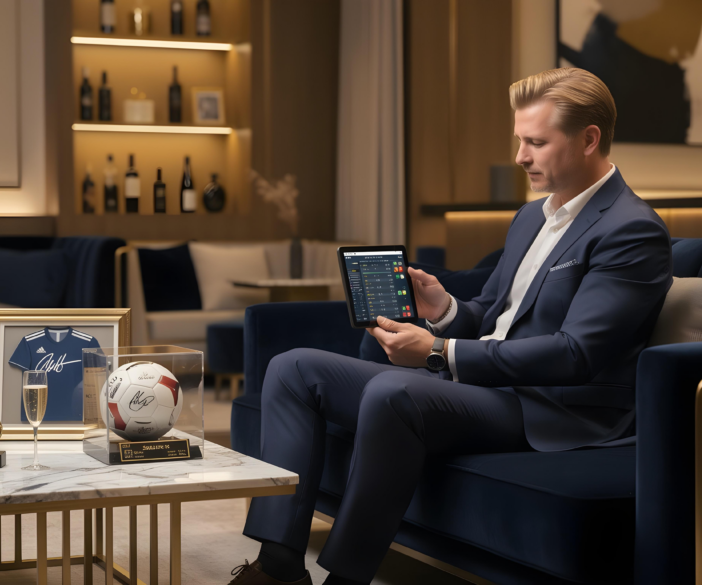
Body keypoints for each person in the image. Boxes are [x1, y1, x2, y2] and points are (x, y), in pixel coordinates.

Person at [227, 68, 672, 585]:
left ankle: (345, 578)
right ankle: (279, 566)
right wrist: (443, 310)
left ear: (589, 139)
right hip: (487, 387)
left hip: (550, 409)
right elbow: (494, 313)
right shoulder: (531, 217)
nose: (520, 157)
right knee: (292, 368)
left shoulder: (632, 228)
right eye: (519, 140)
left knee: (394, 391)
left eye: (535, 142)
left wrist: (438, 351)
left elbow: (576, 354)